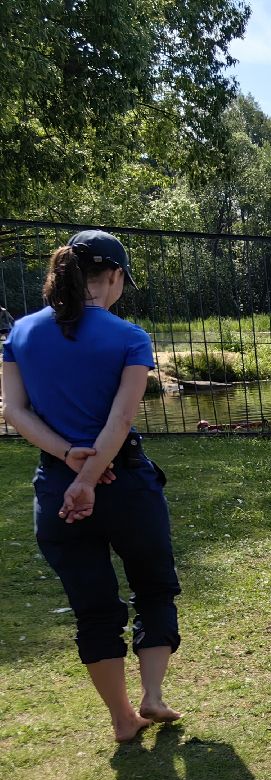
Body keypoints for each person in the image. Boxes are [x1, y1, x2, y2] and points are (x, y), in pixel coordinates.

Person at [1, 230, 182, 743]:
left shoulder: (20, 336)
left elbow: (13, 411)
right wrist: (93, 474)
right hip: (123, 482)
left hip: (57, 487)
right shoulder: (129, 337)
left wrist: (71, 464)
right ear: (116, 277)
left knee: (92, 604)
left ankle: (124, 718)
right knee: (153, 584)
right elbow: (121, 419)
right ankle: (153, 695)